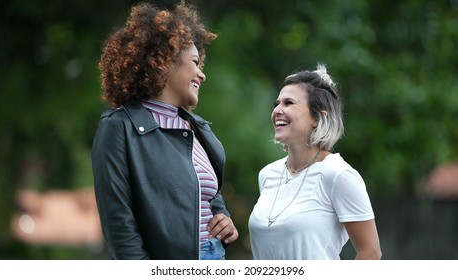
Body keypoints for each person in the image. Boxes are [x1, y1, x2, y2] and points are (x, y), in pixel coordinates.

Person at [92, 1, 238, 260]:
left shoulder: (197, 128)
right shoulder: (118, 127)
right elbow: (119, 224)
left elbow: (207, 194)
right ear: (163, 62)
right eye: (195, 63)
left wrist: (222, 217)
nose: (201, 75)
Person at [248, 64, 381, 260]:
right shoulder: (267, 175)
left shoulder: (339, 175)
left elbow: (371, 252)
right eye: (277, 103)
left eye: (289, 103)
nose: (277, 110)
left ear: (318, 117)